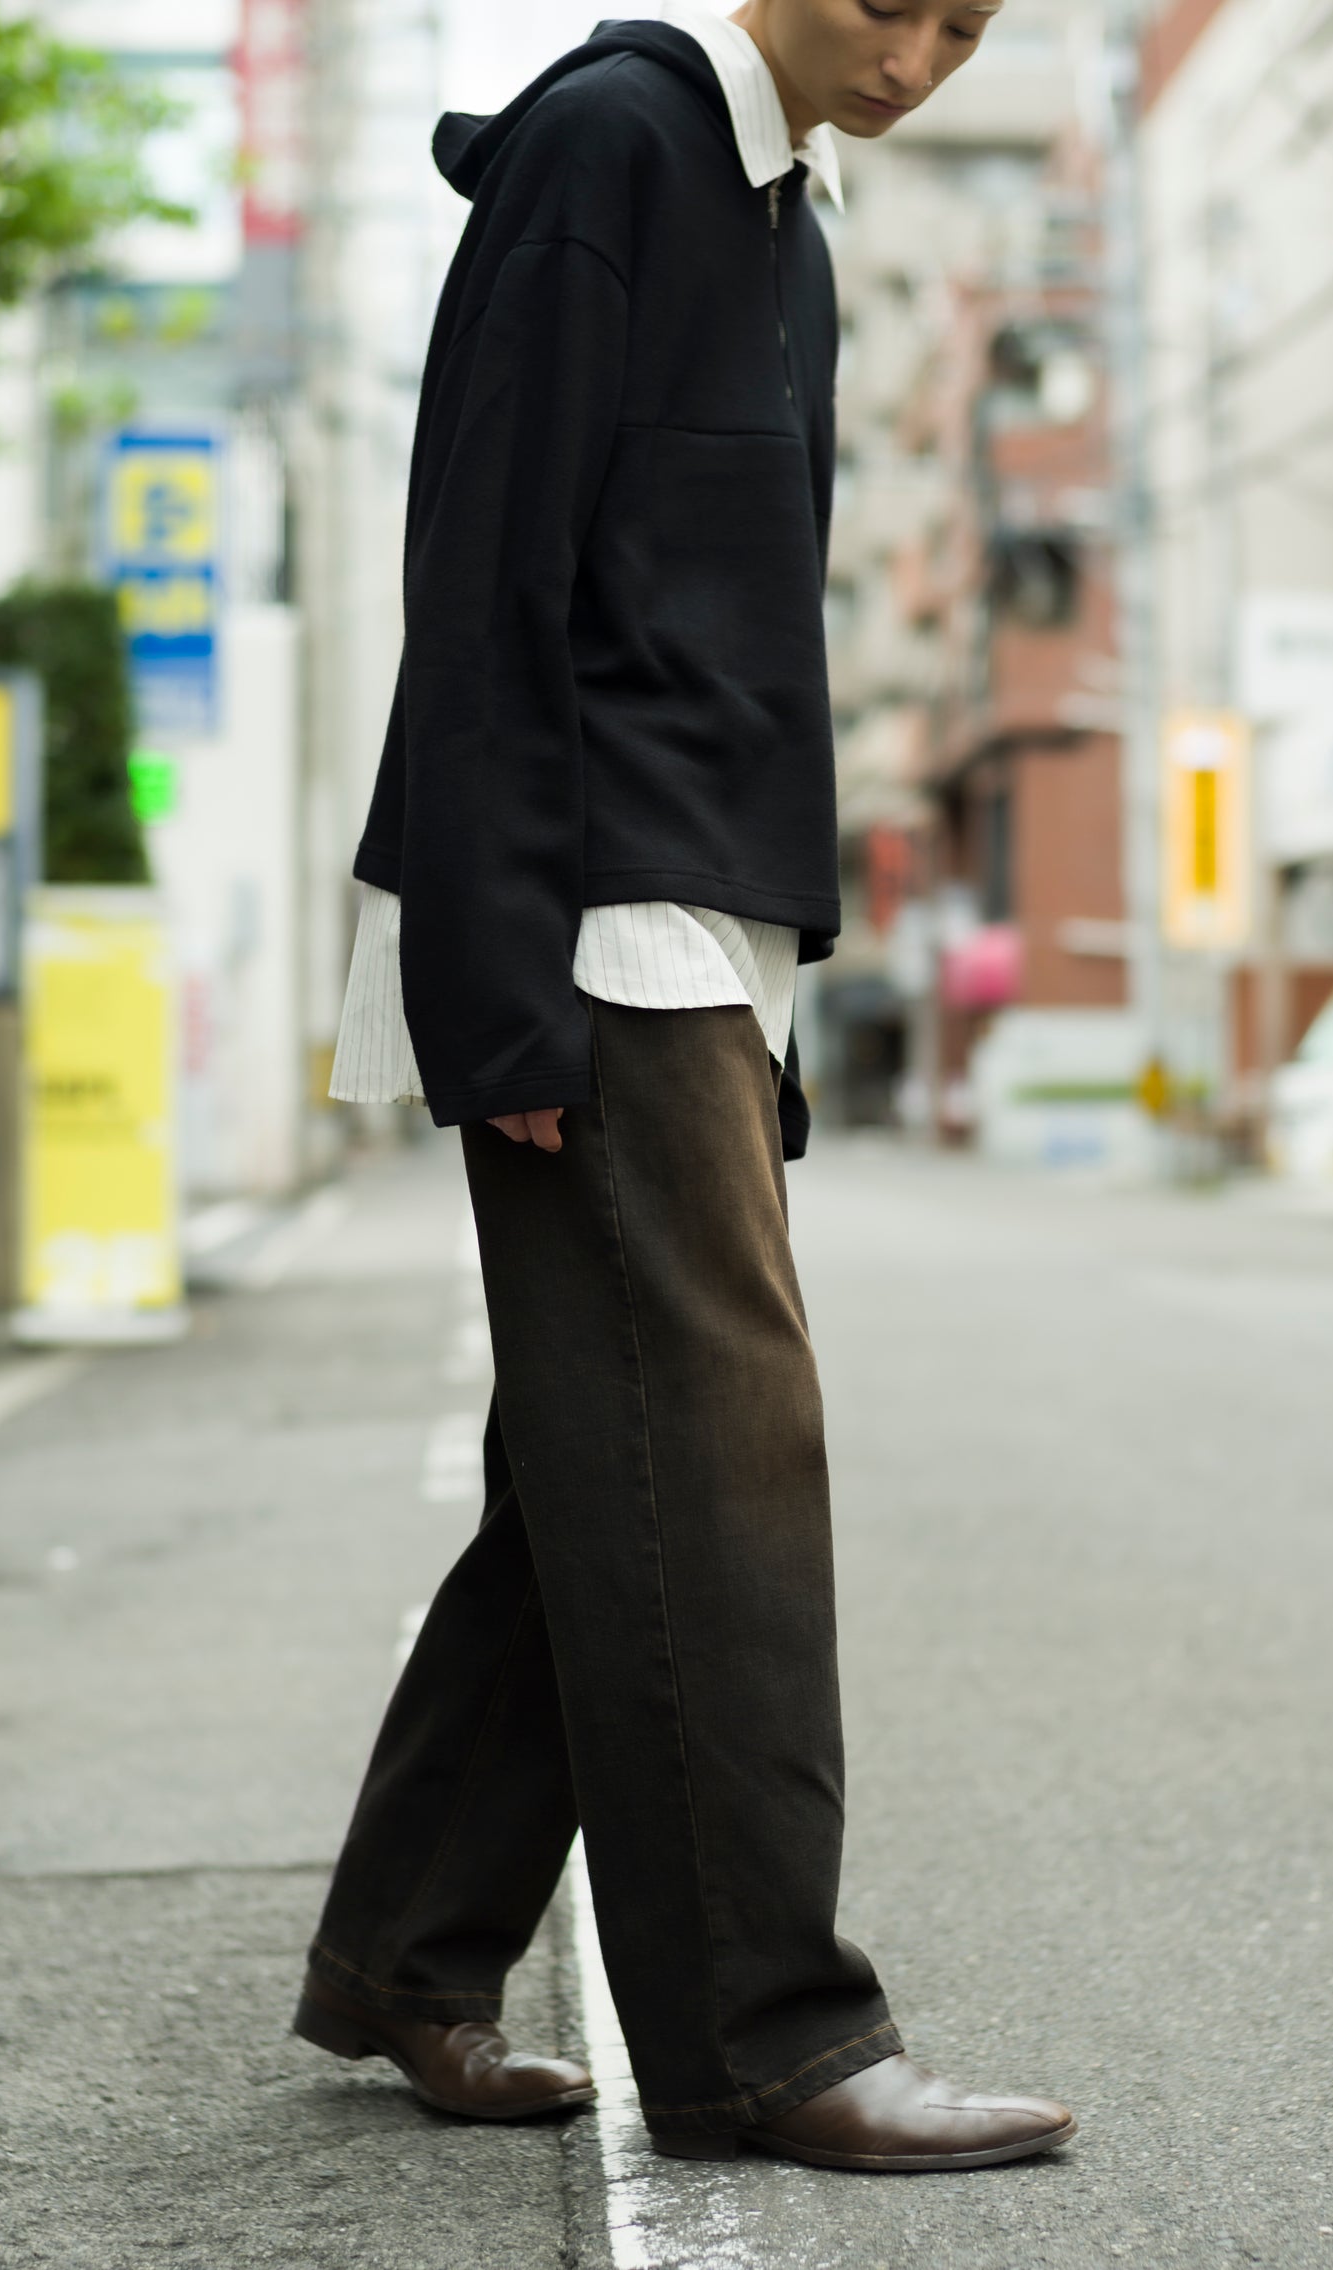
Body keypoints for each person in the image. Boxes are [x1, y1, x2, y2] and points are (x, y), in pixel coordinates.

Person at [302, 0, 1077, 2173]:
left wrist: (769, 1000)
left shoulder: (790, 219)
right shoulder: (615, 145)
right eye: (892, 1)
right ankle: (766, 2038)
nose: (916, 58)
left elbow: (732, 650)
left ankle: (409, 1952)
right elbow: (483, 568)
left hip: (697, 924)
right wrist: (499, 988)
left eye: (965, 25)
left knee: (599, 1469)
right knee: (718, 1462)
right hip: (586, 913)